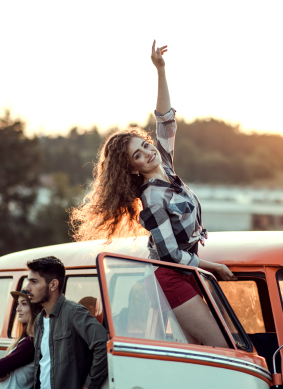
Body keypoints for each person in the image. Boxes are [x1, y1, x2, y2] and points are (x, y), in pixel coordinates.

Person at [70, 41, 236, 347]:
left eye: (145, 145)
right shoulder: (152, 198)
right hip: (172, 277)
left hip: (188, 272)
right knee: (224, 349)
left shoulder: (167, 165)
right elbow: (172, 255)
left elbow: (165, 119)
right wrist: (214, 268)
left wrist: (160, 69)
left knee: (203, 351)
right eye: (137, 155)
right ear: (132, 168)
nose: (147, 152)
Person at [25, 256, 108, 389]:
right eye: (28, 281)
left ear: (53, 284)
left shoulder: (73, 312)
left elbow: (103, 343)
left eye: (34, 282)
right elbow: (43, 363)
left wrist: (89, 385)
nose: (27, 288)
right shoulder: (39, 321)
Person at [0, 290, 39, 388]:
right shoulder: (29, 341)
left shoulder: (29, 344)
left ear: (35, 308)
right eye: (18, 304)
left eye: (23, 304)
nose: (17, 309)